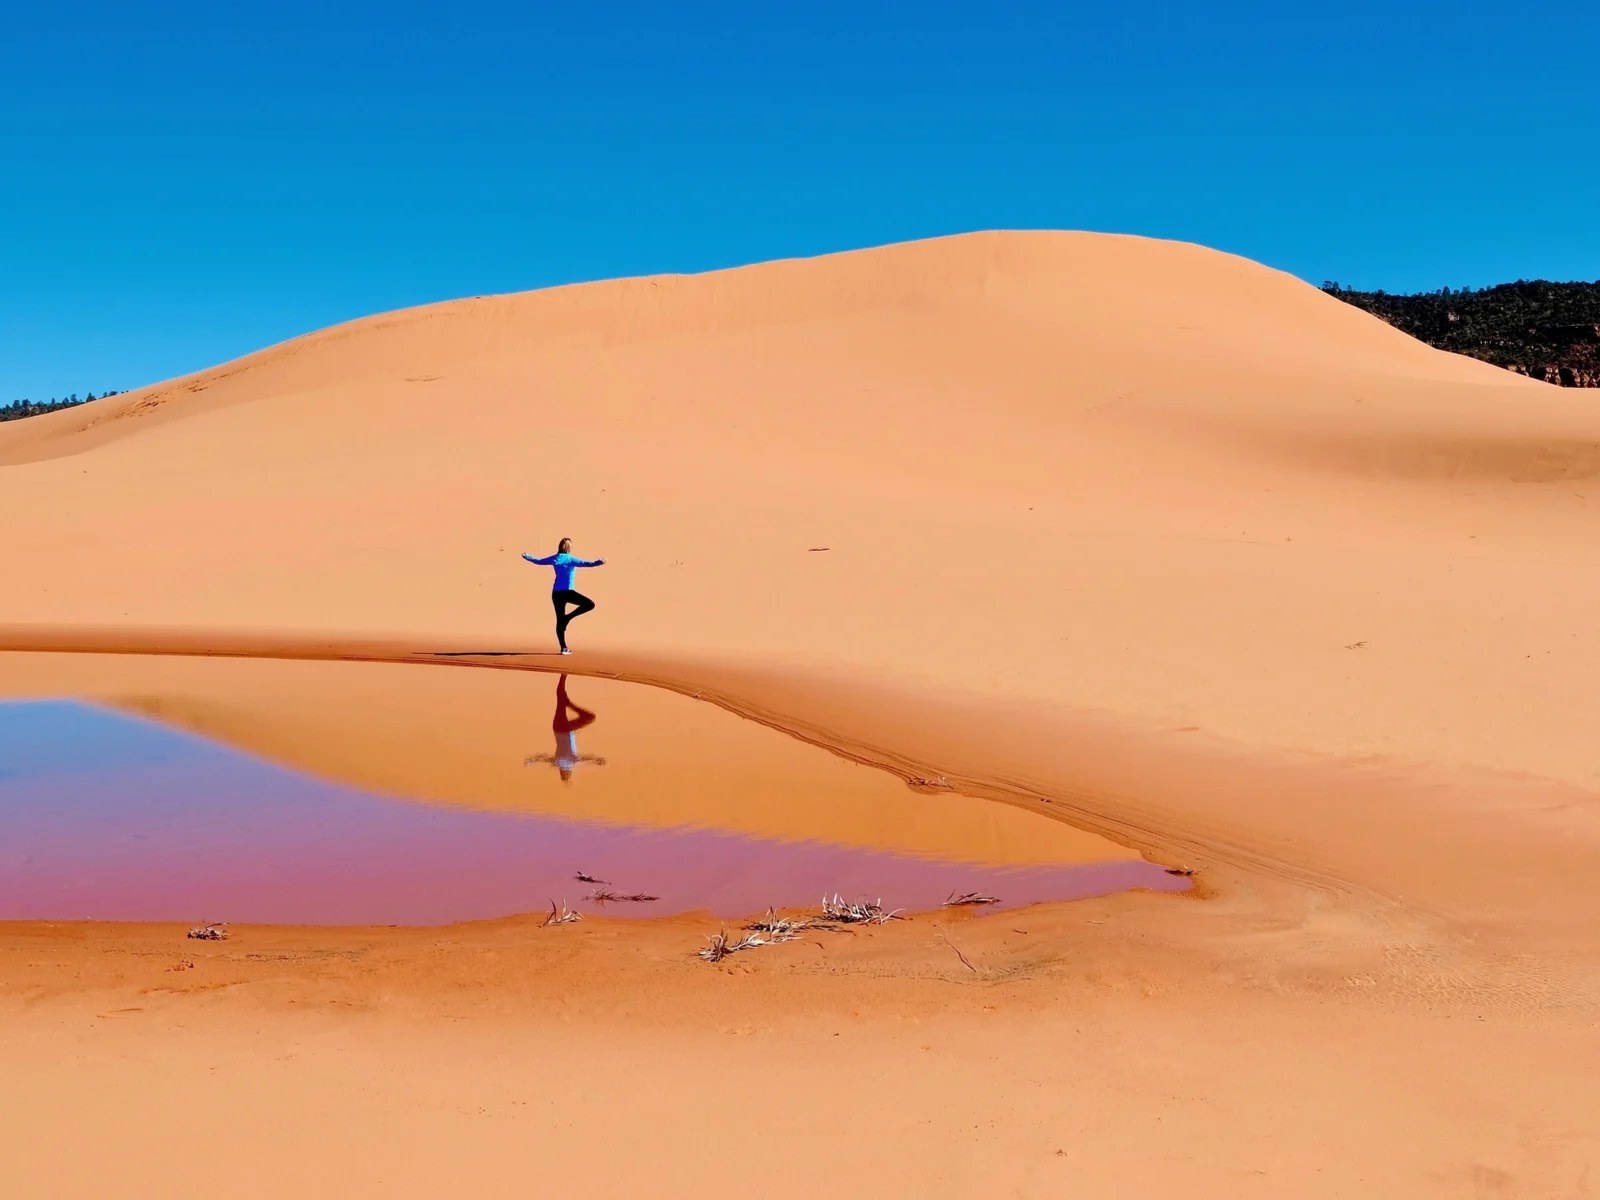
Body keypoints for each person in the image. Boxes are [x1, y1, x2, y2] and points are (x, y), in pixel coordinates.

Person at [522, 538, 606, 654]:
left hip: (556, 593)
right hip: (567, 592)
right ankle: (568, 619)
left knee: (560, 620)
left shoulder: (555, 558)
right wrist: (599, 562)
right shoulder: (570, 559)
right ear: (568, 547)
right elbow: (586, 564)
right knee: (589, 604)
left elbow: (539, 561)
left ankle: (563, 647)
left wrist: (527, 557)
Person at [524, 674, 606, 782]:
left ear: (568, 772)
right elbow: (544, 758)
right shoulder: (556, 762)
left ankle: (568, 700)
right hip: (557, 729)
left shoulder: (571, 762)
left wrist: (598, 760)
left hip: (567, 729)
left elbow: (586, 758)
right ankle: (563, 678)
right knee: (560, 702)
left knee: (589, 717)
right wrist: (531, 760)